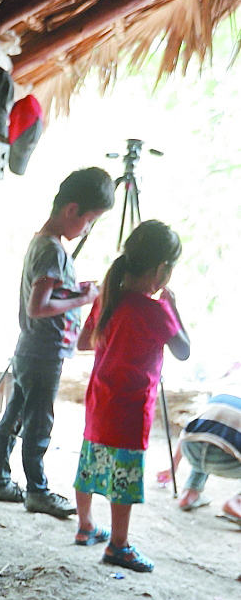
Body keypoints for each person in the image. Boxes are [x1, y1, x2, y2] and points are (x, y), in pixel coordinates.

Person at [0, 167, 114, 518]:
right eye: (89, 221)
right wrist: (83, 301)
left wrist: (75, 291)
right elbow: (39, 306)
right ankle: (37, 491)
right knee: (38, 423)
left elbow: (47, 293)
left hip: (30, 348)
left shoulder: (42, 242)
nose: (87, 229)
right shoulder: (53, 251)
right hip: (44, 351)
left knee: (15, 415)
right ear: (72, 210)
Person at [72, 220, 190, 572]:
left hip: (99, 403)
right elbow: (183, 350)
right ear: (162, 270)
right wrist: (173, 306)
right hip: (131, 410)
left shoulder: (110, 299)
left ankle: (85, 526)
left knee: (91, 463)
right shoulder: (155, 311)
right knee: (123, 477)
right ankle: (117, 545)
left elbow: (81, 342)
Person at [175, 380, 241, 524]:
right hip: (225, 460)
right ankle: (237, 502)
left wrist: (173, 467)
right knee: (222, 441)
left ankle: (189, 493)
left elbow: (189, 429)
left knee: (207, 436)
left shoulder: (225, 388)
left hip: (191, 449)